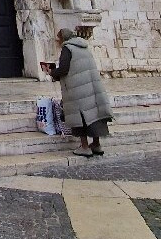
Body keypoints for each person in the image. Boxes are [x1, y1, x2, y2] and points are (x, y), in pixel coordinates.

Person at [42, 27, 113, 157]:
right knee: (94, 115)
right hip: (91, 88)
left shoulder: (67, 48)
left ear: (63, 38)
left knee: (81, 117)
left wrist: (51, 72)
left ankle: (85, 147)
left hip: (77, 90)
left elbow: (64, 69)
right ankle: (96, 145)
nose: (57, 41)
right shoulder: (84, 47)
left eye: (58, 39)